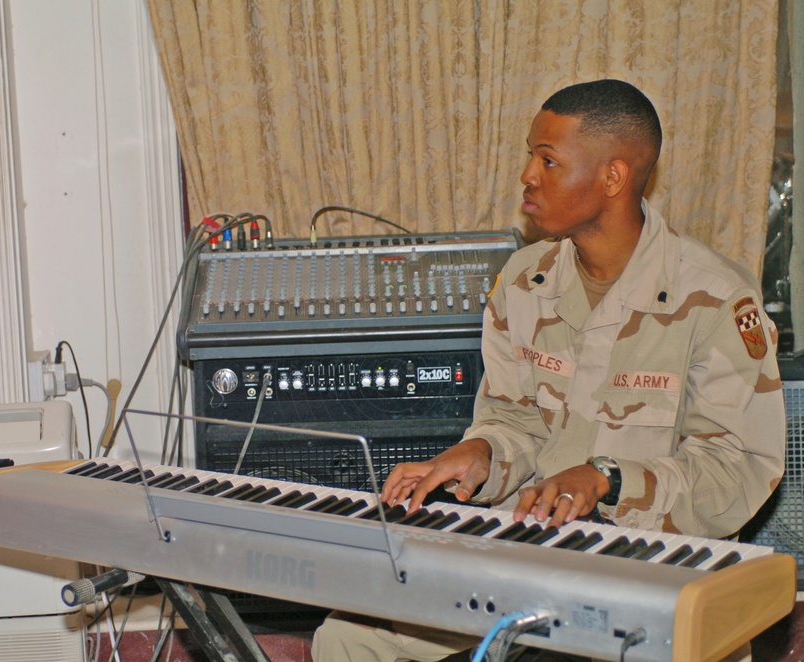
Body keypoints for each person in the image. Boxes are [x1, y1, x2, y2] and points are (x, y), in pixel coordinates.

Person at [311, 79, 786, 662]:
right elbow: (515, 421)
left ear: (612, 178)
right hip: (532, 560)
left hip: (653, 581)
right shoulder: (523, 280)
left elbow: (738, 472)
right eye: (531, 156)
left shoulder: (714, 299)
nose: (528, 177)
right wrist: (481, 454)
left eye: (548, 160)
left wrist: (607, 478)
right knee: (346, 634)